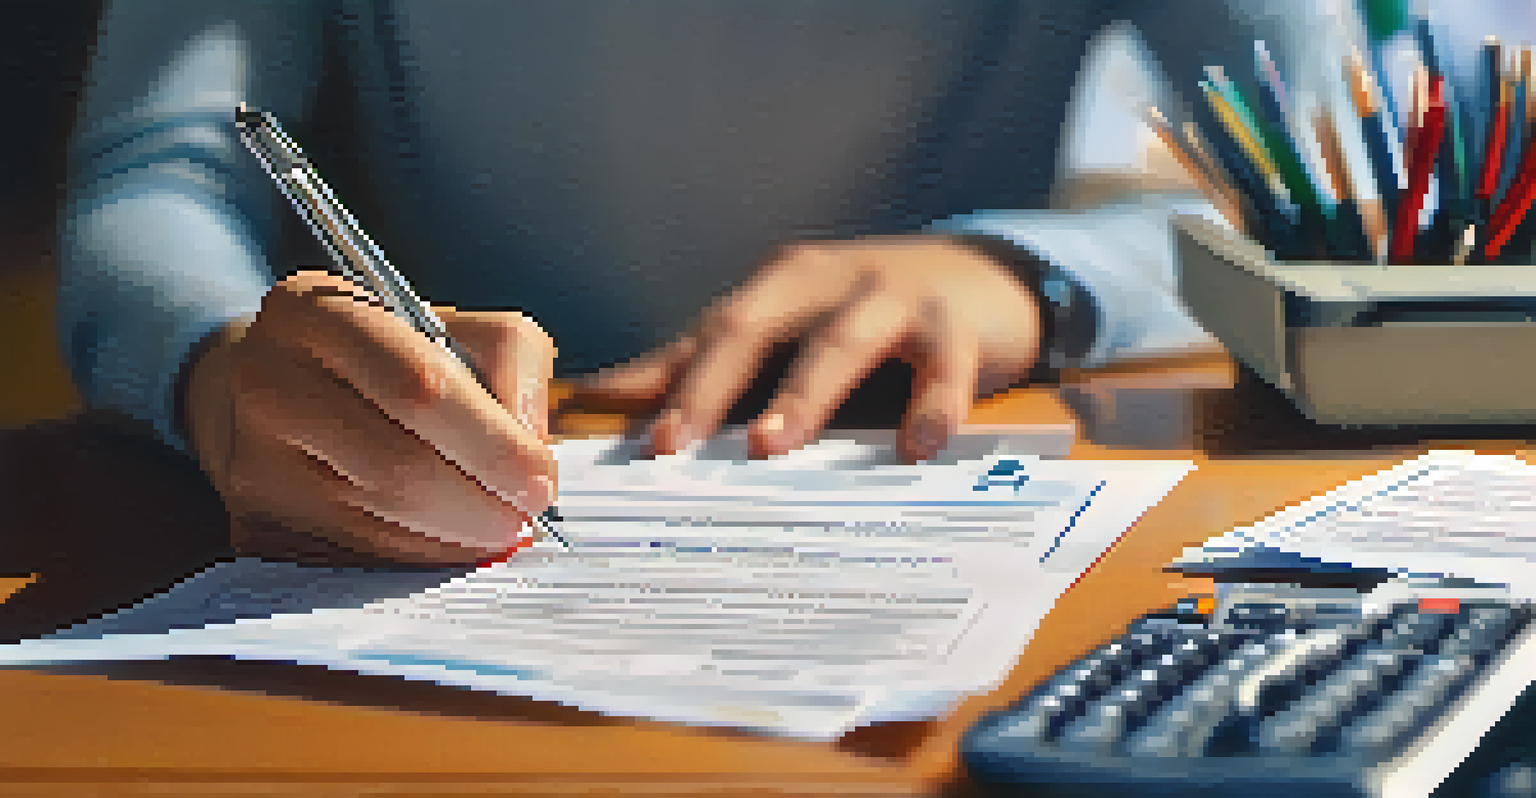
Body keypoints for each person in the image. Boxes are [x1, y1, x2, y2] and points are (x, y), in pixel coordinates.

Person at [57, 0, 1384, 566]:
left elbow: (1350, 190)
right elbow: (154, 178)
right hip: (411, 512)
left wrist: (1029, 277)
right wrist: (218, 368)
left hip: (924, 502)